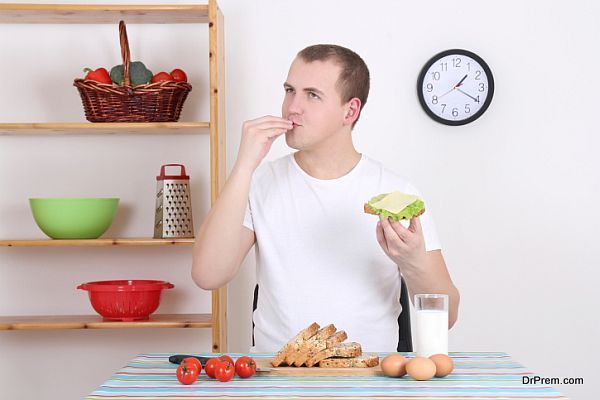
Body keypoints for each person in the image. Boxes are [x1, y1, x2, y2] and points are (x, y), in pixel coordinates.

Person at [192, 44, 460, 352]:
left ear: (350, 110)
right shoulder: (259, 181)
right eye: (290, 90)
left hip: (369, 381)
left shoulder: (396, 193)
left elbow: (447, 315)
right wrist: (243, 166)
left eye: (312, 95)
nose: (293, 106)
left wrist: (413, 263)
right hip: (278, 380)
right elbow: (207, 275)